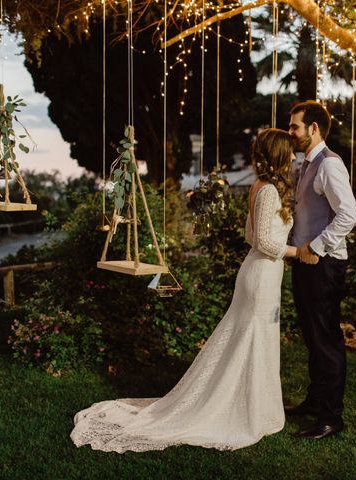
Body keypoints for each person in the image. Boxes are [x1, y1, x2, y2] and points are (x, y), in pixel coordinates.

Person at [70, 128, 299, 452]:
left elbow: (250, 237)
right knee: (252, 340)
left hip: (261, 273)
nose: (293, 157)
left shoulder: (261, 187)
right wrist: (296, 251)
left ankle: (254, 407)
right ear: (278, 154)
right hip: (261, 276)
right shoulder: (269, 192)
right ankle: (246, 412)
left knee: (253, 340)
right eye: (289, 152)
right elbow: (261, 240)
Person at [286, 100, 356, 440]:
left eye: (295, 127)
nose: (291, 133)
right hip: (305, 262)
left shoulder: (329, 165)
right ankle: (315, 403)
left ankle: (332, 418)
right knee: (313, 338)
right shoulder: (307, 164)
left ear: (313, 128)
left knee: (326, 340)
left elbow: (349, 215)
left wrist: (314, 248)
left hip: (324, 264)